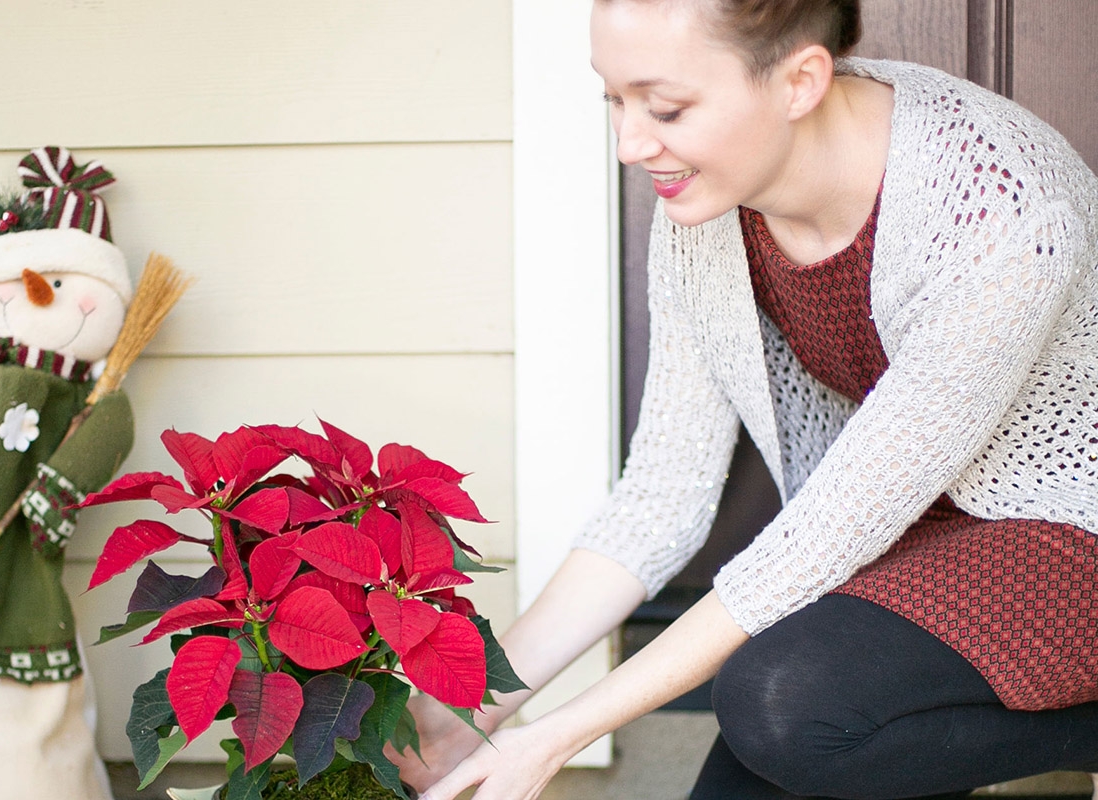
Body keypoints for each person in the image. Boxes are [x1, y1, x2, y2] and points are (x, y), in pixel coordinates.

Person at [394, 1, 1098, 798]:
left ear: (801, 81)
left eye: (666, 108)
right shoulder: (708, 203)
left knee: (783, 705)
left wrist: (554, 738)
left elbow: (825, 537)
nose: (630, 144)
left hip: (1075, 529)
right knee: (784, 741)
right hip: (913, 537)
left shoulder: (1001, 208)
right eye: (614, 101)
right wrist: (468, 707)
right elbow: (662, 496)